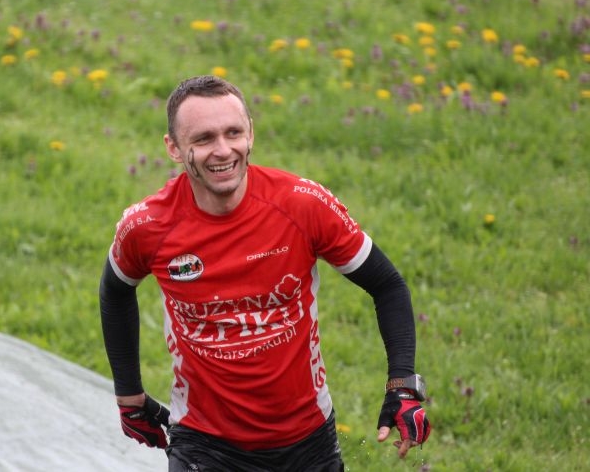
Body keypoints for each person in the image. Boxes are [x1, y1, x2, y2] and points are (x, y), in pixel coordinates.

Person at [99, 75, 431, 471]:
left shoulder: (303, 205)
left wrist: (403, 384)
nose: (223, 150)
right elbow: (116, 289)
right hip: (203, 445)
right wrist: (128, 394)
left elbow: (387, 285)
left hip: (308, 441)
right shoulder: (148, 226)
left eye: (233, 133)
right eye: (203, 139)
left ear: (251, 133)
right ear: (173, 148)